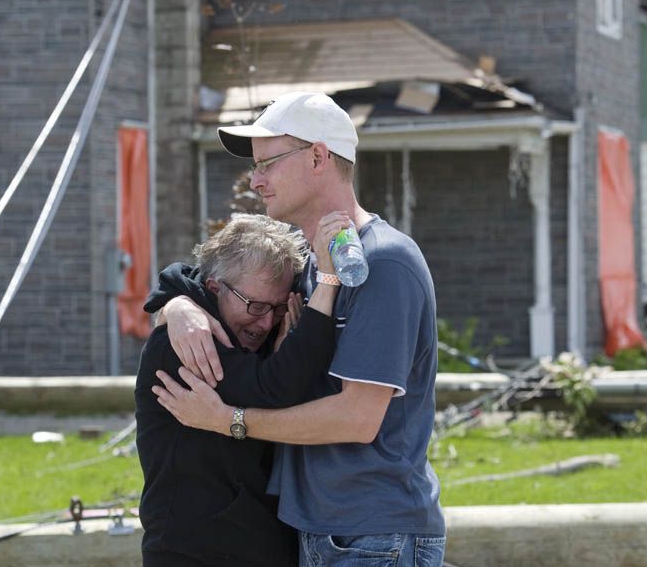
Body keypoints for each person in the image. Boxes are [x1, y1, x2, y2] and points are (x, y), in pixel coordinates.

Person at [151, 91, 446, 566]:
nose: (256, 179)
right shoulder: (312, 267)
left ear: (318, 157)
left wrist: (228, 421)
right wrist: (177, 306)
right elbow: (207, 277)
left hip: (372, 538)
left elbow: (357, 418)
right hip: (318, 532)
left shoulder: (384, 263)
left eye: (268, 162)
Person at [136, 211, 350, 567]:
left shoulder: (247, 334)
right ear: (215, 287)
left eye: (279, 308)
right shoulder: (185, 344)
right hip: (192, 554)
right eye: (257, 306)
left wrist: (174, 300)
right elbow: (271, 389)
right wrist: (327, 285)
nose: (266, 322)